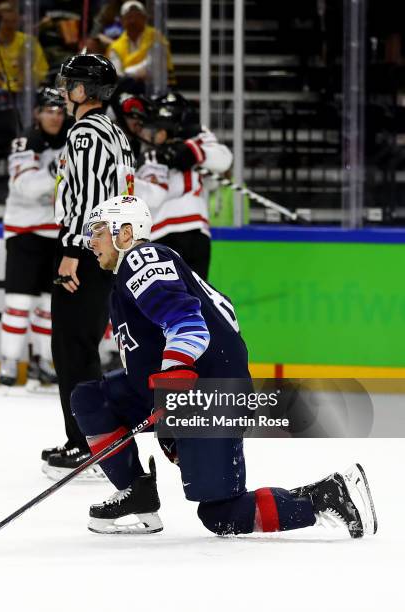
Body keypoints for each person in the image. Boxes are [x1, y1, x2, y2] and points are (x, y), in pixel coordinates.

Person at [67, 194, 378, 539]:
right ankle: (136, 494)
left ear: (125, 233)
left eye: (97, 231)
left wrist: (176, 375)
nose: (90, 241)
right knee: (92, 398)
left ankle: (328, 497)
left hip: (207, 394)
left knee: (222, 513)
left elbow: (187, 321)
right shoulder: (132, 273)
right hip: (182, 392)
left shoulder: (142, 257)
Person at [42, 53, 135, 481]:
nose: (64, 91)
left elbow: (89, 200)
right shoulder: (115, 132)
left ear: (84, 91)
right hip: (111, 254)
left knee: (72, 349)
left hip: (87, 254)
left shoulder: (84, 134)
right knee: (82, 348)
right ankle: (96, 439)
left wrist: (72, 250)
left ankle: (86, 444)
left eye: (70, 84)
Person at [0, 89, 71, 390]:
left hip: (56, 232)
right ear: (37, 113)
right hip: (25, 231)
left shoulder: (71, 141)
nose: (54, 116)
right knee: (18, 301)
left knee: (47, 303)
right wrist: (57, 170)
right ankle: (9, 362)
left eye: (58, 110)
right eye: (48, 110)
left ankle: (43, 362)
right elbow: (24, 186)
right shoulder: (25, 142)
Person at [133, 92, 232, 280]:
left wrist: (193, 152)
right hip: (158, 234)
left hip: (192, 227)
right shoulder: (146, 151)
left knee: (191, 301)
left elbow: (224, 159)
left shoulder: (195, 135)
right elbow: (151, 196)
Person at [107, 1, 175, 90]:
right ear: (122, 21)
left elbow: (151, 68)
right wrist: (126, 78)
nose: (133, 21)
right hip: (127, 91)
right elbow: (117, 74)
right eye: (129, 17)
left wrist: (127, 73)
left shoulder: (156, 37)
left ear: (144, 19)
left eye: (137, 16)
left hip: (158, 90)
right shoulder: (115, 46)